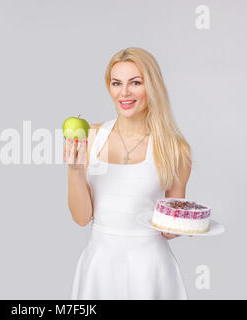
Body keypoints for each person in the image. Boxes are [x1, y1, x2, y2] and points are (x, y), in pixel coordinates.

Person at [64, 47, 192, 299]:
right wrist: (74, 170)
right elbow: (81, 218)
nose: (124, 92)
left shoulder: (175, 148)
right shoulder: (90, 136)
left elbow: (169, 231)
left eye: (135, 82)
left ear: (151, 86)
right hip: (100, 266)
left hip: (151, 269)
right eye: (116, 83)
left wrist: (185, 220)